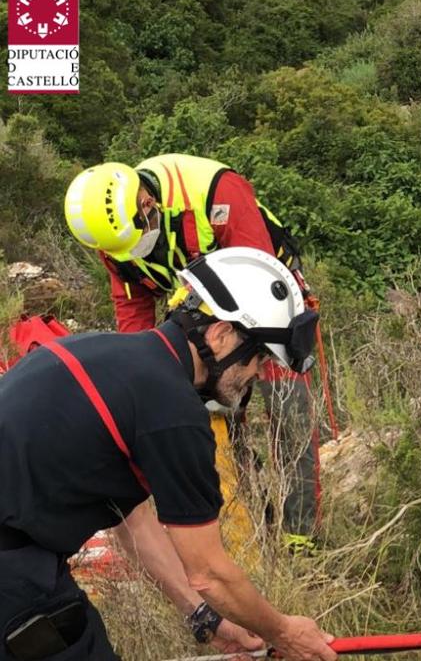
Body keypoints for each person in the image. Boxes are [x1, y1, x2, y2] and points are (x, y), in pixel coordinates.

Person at [0, 248, 335, 661]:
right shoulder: (173, 411)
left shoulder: (109, 355)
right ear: (221, 335)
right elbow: (210, 573)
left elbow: (133, 522)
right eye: (260, 356)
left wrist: (203, 618)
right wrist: (285, 632)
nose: (258, 374)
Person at [64, 155, 322, 548]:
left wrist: (224, 360)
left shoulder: (215, 192)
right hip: (206, 322)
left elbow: (256, 268)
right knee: (211, 422)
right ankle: (250, 528)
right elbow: (133, 308)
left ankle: (302, 536)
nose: (133, 252)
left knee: (288, 410)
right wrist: (146, 376)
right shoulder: (113, 240)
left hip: (271, 299)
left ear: (146, 203)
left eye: (137, 241)